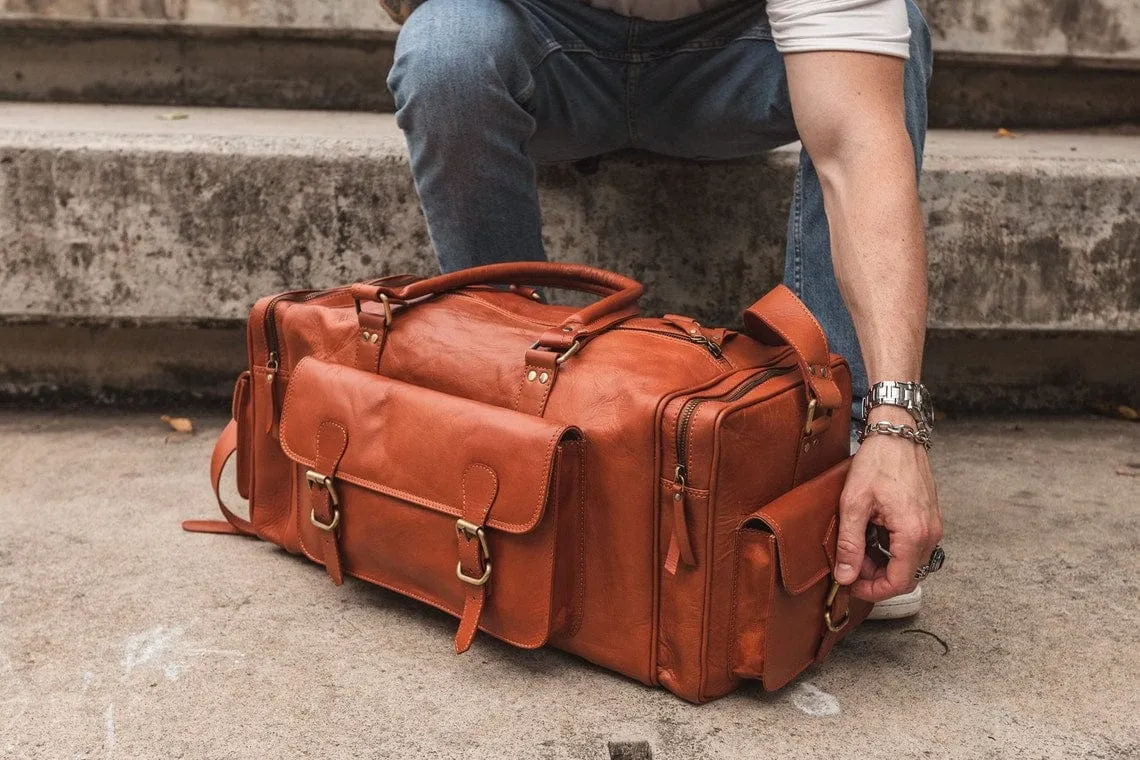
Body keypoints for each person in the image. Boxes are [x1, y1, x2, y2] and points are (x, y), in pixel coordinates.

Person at [383, 0, 944, 615]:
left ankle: (839, 446)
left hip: (730, 64)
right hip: (550, 51)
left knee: (897, 39)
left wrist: (896, 420)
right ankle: (501, 430)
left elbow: (856, 143)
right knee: (443, 45)